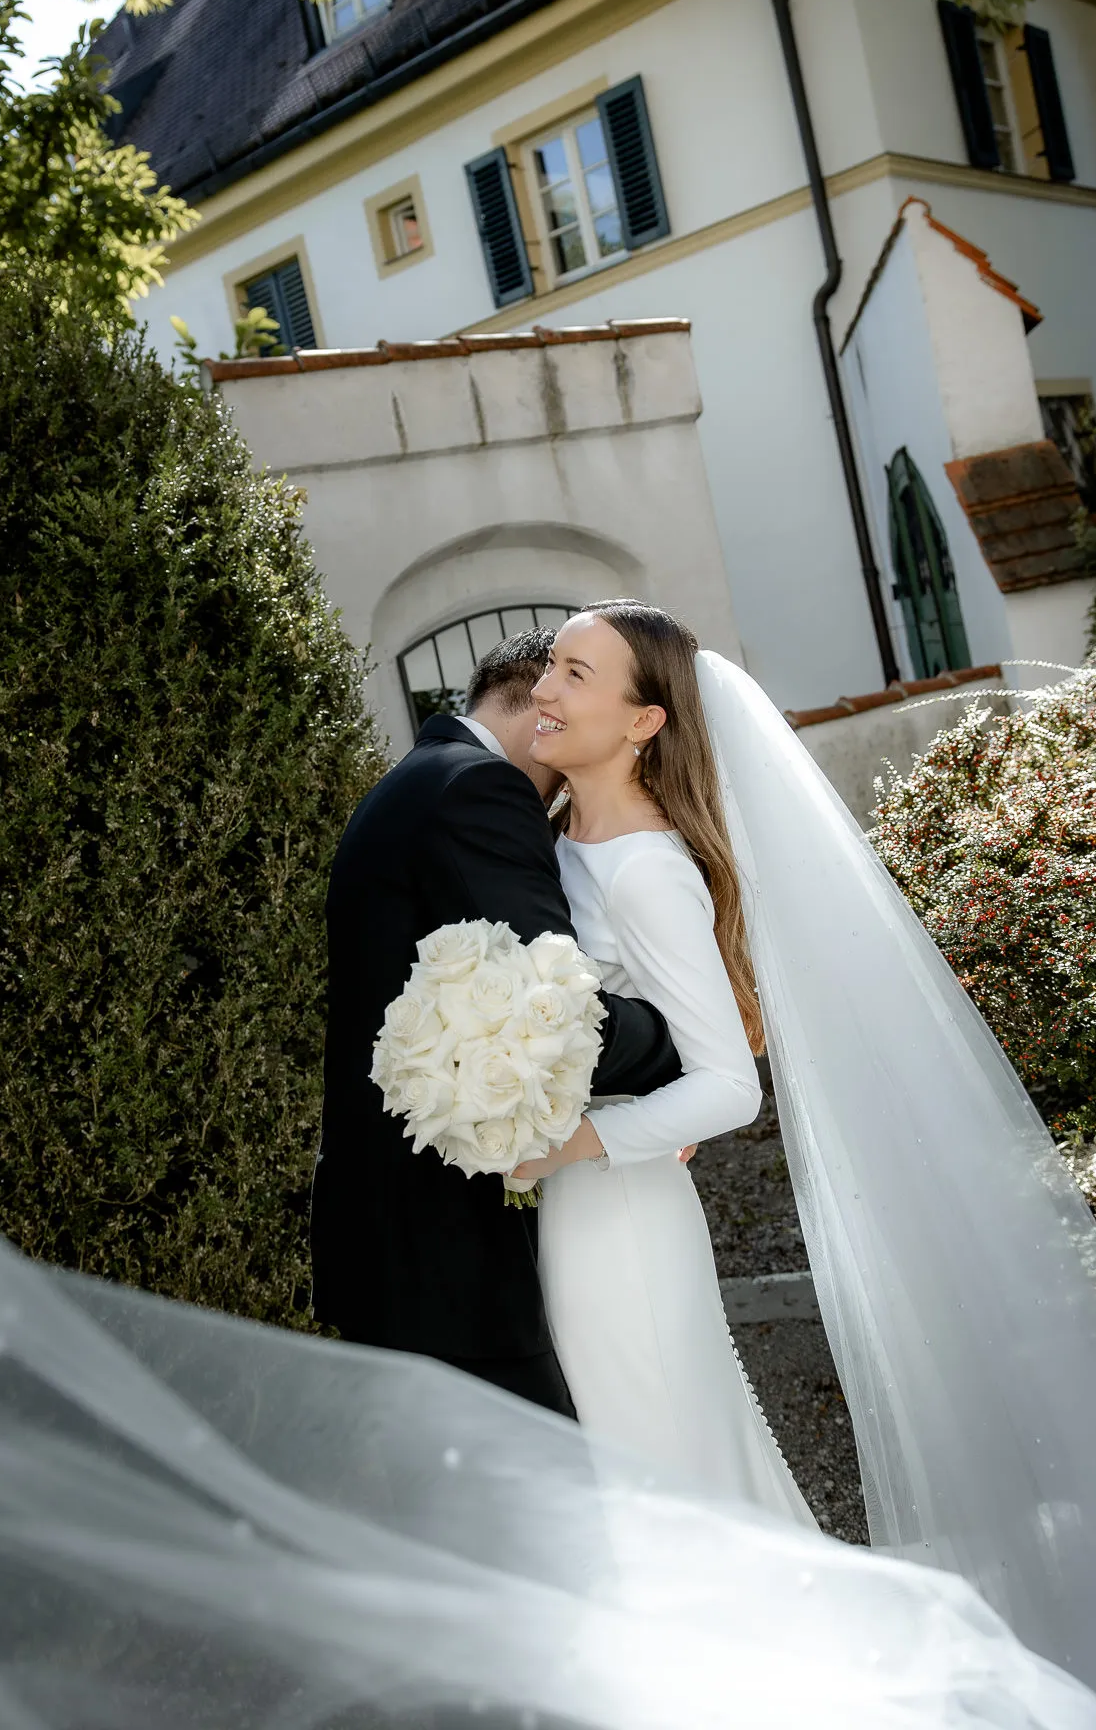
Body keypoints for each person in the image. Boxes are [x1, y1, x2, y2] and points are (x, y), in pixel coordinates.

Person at [310, 628, 683, 1417]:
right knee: (542, 1509)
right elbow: (554, 1011)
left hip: (390, 1235)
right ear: (533, 698)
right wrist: (679, 1042)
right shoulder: (483, 789)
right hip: (446, 1248)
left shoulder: (416, 781)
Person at [512, 601, 816, 1521]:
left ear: (644, 722)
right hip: (580, 1199)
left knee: (655, 1463)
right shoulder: (556, 835)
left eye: (574, 674)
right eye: (550, 666)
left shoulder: (645, 871)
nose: (543, 690)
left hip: (623, 1220)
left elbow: (728, 1088)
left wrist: (573, 1146)